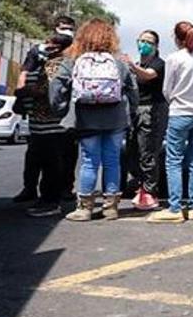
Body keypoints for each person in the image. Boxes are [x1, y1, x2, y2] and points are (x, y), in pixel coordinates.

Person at [53, 19, 138, 222]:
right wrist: (131, 112)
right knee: (112, 161)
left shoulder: (75, 59)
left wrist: (59, 108)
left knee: (89, 162)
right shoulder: (118, 62)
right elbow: (133, 88)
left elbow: (57, 83)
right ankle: (111, 207)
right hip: (116, 119)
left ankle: (85, 208)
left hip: (87, 118)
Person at [146, 22, 193, 223]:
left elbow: (167, 89)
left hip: (180, 113)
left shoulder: (174, 59)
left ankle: (175, 208)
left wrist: (175, 100)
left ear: (177, 38)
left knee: (174, 160)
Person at [12, 16, 78, 204]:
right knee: (35, 155)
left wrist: (25, 92)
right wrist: (21, 96)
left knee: (59, 158)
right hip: (38, 119)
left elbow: (48, 88)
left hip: (57, 120)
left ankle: (55, 194)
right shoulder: (37, 55)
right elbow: (25, 73)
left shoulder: (66, 60)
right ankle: (31, 189)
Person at [122, 30, 167, 211]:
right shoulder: (137, 63)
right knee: (133, 151)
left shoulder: (158, 64)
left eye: (148, 42)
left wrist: (131, 65)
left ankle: (150, 192)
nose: (144, 44)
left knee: (148, 152)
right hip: (135, 110)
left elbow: (148, 75)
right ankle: (141, 186)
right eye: (141, 41)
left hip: (152, 111)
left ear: (156, 46)